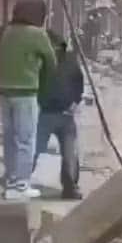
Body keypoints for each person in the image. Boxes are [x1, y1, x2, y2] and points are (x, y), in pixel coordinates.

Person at [0, 0, 56, 201]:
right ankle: (21, 185)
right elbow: (51, 63)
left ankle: (11, 181)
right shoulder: (37, 34)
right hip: (26, 92)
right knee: (25, 140)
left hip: (3, 91)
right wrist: (44, 87)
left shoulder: (6, 31)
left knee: (9, 139)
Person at [35, 31, 83, 199]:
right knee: (34, 150)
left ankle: (70, 187)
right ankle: (22, 183)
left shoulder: (69, 60)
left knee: (70, 154)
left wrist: (76, 101)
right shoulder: (39, 60)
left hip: (65, 115)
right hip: (46, 113)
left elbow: (78, 81)